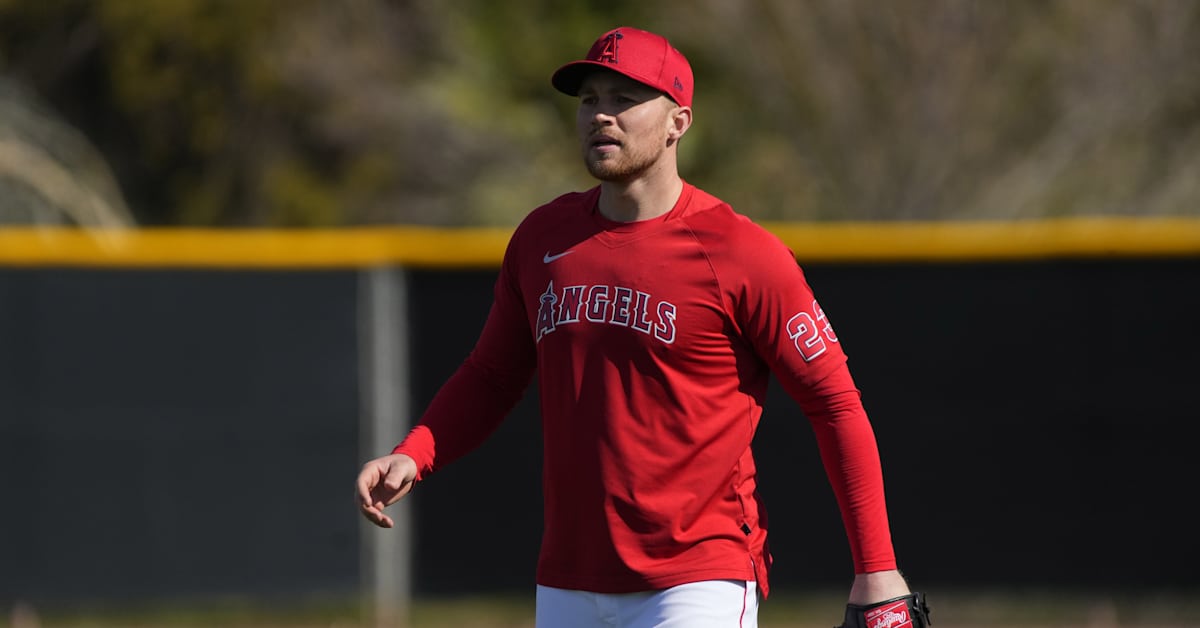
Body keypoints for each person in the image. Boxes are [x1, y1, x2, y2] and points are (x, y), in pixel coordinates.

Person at [357, 25, 925, 628]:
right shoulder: (542, 238)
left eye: (624, 99)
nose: (601, 115)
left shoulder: (740, 253)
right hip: (568, 578)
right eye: (589, 100)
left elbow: (834, 404)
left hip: (697, 577)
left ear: (679, 121)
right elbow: (492, 375)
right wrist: (415, 453)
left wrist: (877, 568)